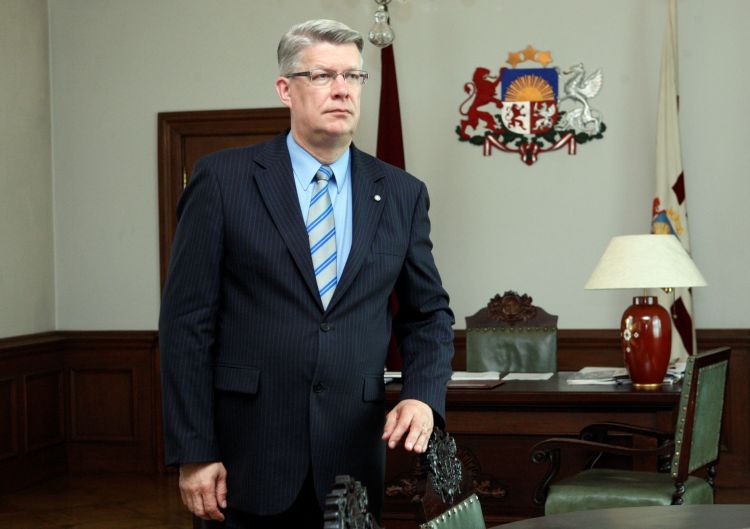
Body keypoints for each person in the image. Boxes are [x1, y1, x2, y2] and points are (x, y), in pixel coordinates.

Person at [159, 18, 454, 529]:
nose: (342, 89)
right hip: (245, 456)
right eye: (321, 75)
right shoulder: (223, 180)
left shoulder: (402, 193)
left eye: (353, 76)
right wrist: (194, 450)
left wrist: (422, 396)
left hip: (352, 460)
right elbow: (186, 323)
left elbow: (428, 315)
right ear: (285, 89)